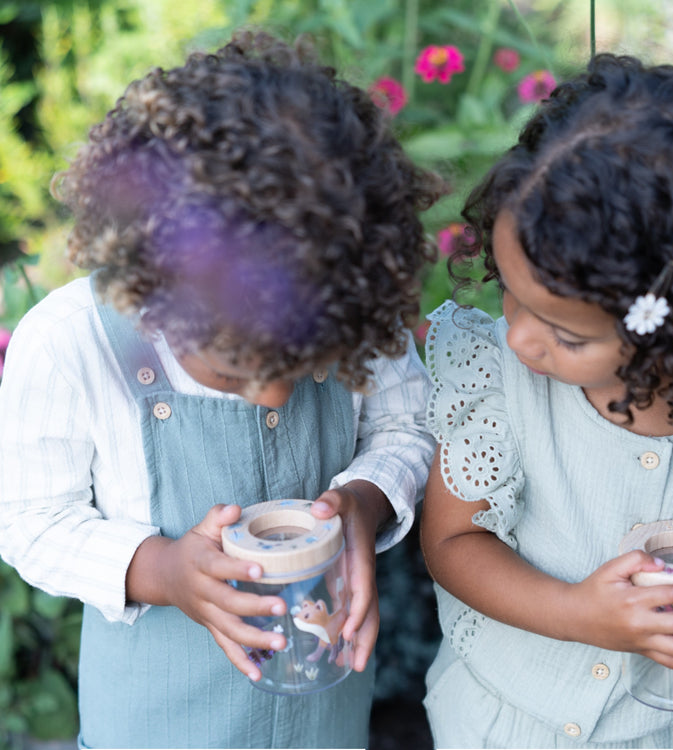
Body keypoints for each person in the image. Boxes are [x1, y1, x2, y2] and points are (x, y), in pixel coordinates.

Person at [0, 29, 444, 749]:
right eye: (238, 370)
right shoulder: (71, 343)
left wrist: (365, 503)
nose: (275, 397)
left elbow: (407, 423)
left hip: (323, 727)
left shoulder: (343, 302)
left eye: (306, 367)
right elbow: (29, 519)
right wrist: (163, 570)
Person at [420, 53, 673, 748]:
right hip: (501, 722)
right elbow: (452, 540)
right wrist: (578, 612)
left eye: (565, 335)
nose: (517, 338)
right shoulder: (499, 383)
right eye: (507, 291)